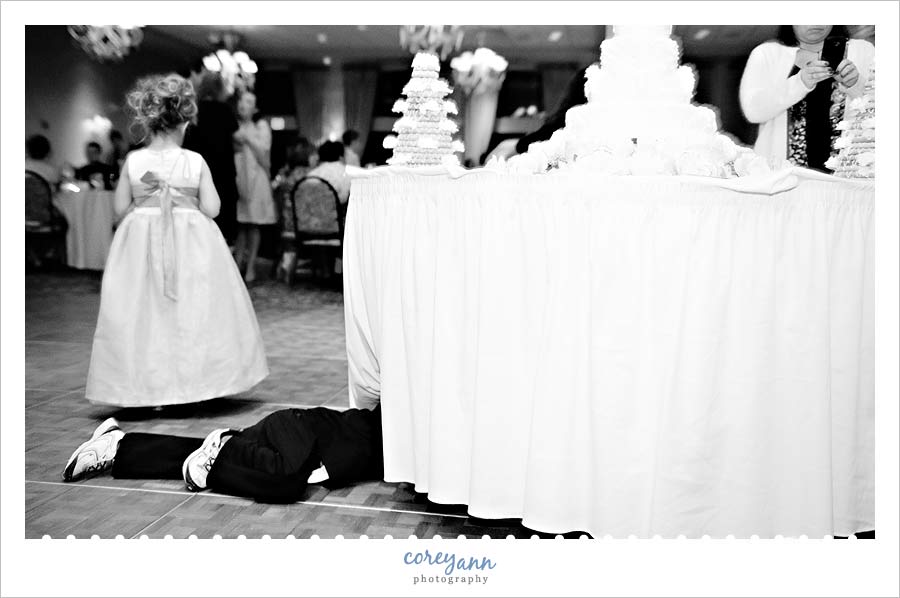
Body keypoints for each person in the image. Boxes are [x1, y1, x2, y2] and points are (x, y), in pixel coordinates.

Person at [84, 74, 269, 407]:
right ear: (184, 123)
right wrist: (185, 202)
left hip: (141, 245)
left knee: (143, 310)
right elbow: (213, 208)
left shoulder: (134, 161)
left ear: (148, 122)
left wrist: (148, 202)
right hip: (191, 245)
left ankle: (145, 389)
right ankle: (196, 386)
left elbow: (119, 208)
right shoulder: (194, 161)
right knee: (192, 309)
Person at [62, 404, 383, 504]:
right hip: (304, 430)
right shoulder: (407, 415)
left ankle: (117, 447)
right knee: (284, 480)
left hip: (301, 447)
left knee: (213, 457)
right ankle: (225, 445)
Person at [739, 26, 874, 172]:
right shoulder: (767, 54)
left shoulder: (862, 50)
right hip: (784, 181)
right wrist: (800, 82)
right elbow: (753, 111)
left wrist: (856, 84)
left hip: (848, 179)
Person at [183, 71, 241, 245]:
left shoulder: (193, 110)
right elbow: (238, 140)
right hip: (222, 172)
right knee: (221, 221)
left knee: (197, 220)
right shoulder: (224, 110)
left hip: (196, 170)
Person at [233, 90, 277, 284]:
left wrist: (248, 138)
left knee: (253, 222)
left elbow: (263, 153)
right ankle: (236, 264)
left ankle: (250, 266)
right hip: (238, 176)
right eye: (242, 101)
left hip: (256, 179)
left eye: (249, 102)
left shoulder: (261, 127)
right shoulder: (234, 126)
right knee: (240, 224)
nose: (244, 105)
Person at [307, 140, 351, 204]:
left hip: (312, 211)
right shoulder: (349, 173)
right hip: (339, 211)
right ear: (341, 156)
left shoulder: (311, 175)